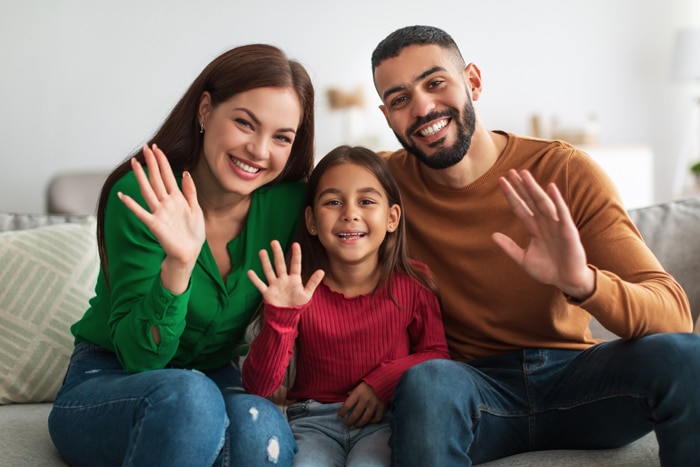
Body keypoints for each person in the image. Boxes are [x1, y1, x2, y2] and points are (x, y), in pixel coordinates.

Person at [370, 25, 700, 465]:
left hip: (579, 381)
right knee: (428, 383)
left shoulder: (563, 170)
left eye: (435, 83)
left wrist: (582, 282)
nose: (423, 107)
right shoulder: (379, 188)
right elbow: (299, 197)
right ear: (386, 115)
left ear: (473, 81)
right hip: (471, 390)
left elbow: (673, 316)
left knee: (686, 358)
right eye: (399, 99)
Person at [47, 43, 315, 466]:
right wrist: (179, 264)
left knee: (261, 425)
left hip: (215, 376)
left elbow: (368, 201)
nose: (261, 151)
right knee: (191, 399)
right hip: (114, 376)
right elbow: (139, 356)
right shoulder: (143, 193)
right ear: (206, 110)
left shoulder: (292, 206)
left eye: (282, 137)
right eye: (245, 123)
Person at [241, 145, 450, 466]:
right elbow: (259, 387)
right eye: (333, 202)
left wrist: (382, 382)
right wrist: (281, 319)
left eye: (366, 201)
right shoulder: (297, 288)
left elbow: (437, 356)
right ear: (311, 220)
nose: (350, 213)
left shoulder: (414, 281)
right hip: (311, 421)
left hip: (384, 421)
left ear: (392, 217)